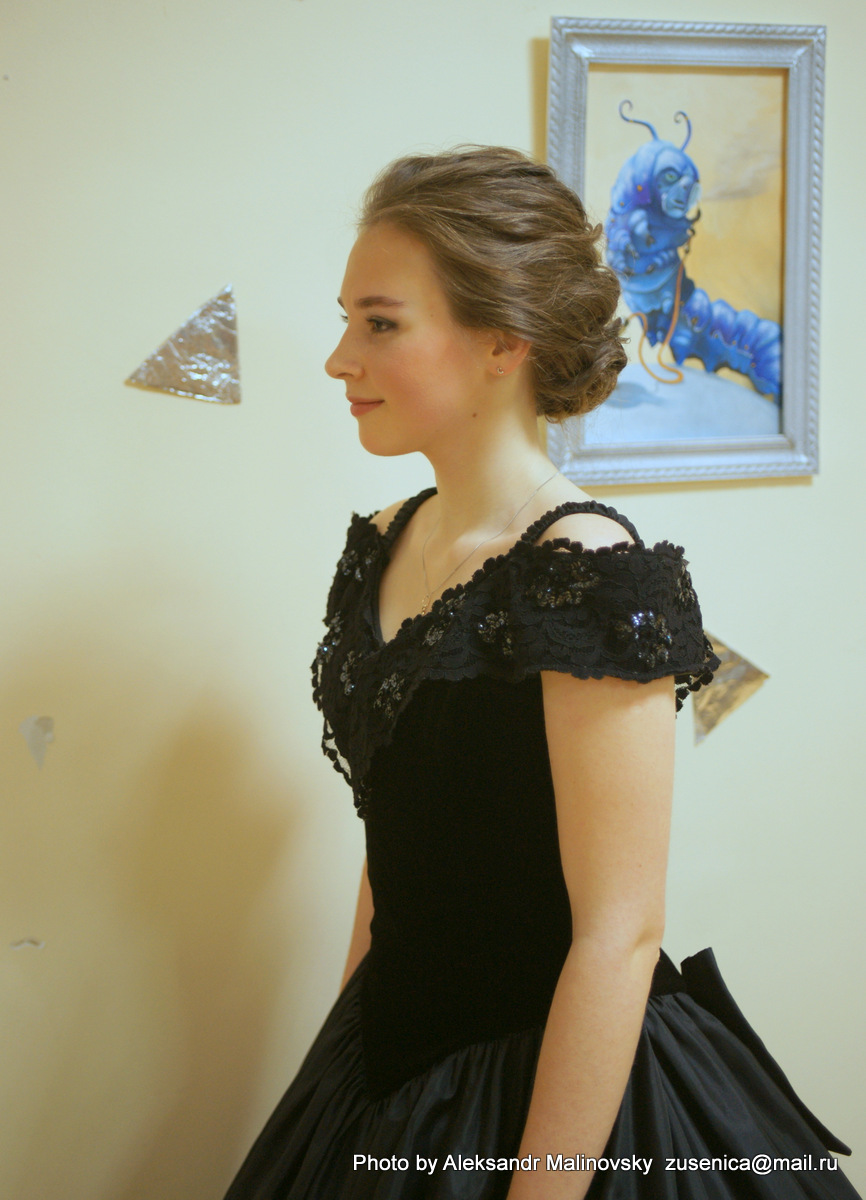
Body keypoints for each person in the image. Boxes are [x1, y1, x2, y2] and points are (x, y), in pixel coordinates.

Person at [222, 147, 860, 1200]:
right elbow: (398, 847)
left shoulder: (585, 569)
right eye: (347, 322)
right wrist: (340, 1082)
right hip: (387, 1063)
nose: (339, 359)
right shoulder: (382, 542)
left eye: (379, 324)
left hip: (558, 1094)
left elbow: (620, 933)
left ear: (503, 340)